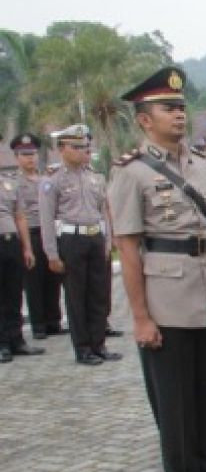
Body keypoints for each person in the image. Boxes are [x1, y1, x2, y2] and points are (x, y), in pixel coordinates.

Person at [108, 65, 206, 472]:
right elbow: (128, 249)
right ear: (144, 119)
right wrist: (141, 317)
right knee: (175, 397)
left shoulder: (202, 164)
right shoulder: (132, 173)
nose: (179, 115)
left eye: (182, 107)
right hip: (166, 296)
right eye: (168, 108)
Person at [39, 125, 120, 366]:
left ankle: (99, 344)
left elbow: (104, 211)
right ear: (62, 149)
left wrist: (108, 241)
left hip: (95, 237)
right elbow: (46, 219)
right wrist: (51, 253)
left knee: (98, 294)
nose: (82, 151)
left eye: (84, 146)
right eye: (75, 147)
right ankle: (83, 347)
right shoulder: (52, 180)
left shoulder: (95, 176)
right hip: (71, 239)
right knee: (76, 296)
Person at [11, 134, 64, 339]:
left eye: (32, 154)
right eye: (24, 155)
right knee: (33, 281)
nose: (30, 158)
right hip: (30, 234)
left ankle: (54, 321)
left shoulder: (46, 180)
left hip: (50, 232)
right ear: (16, 157)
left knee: (54, 278)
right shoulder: (13, 182)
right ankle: (39, 324)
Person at [0, 136, 39, 363]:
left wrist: (27, 248)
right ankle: (2, 343)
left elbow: (20, 216)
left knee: (14, 293)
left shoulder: (8, 182)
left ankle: (17, 340)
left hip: (11, 241)